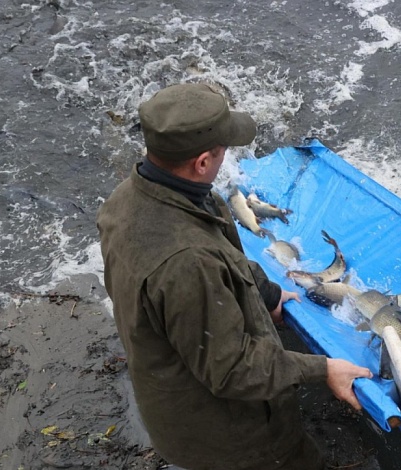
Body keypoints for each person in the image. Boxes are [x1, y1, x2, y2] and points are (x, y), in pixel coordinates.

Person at [96, 82, 373, 470]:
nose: (228, 156)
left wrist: (267, 292)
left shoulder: (131, 196)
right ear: (203, 162)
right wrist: (322, 368)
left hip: (170, 392)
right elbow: (232, 368)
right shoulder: (187, 263)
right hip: (230, 440)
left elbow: (217, 248)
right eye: (224, 149)